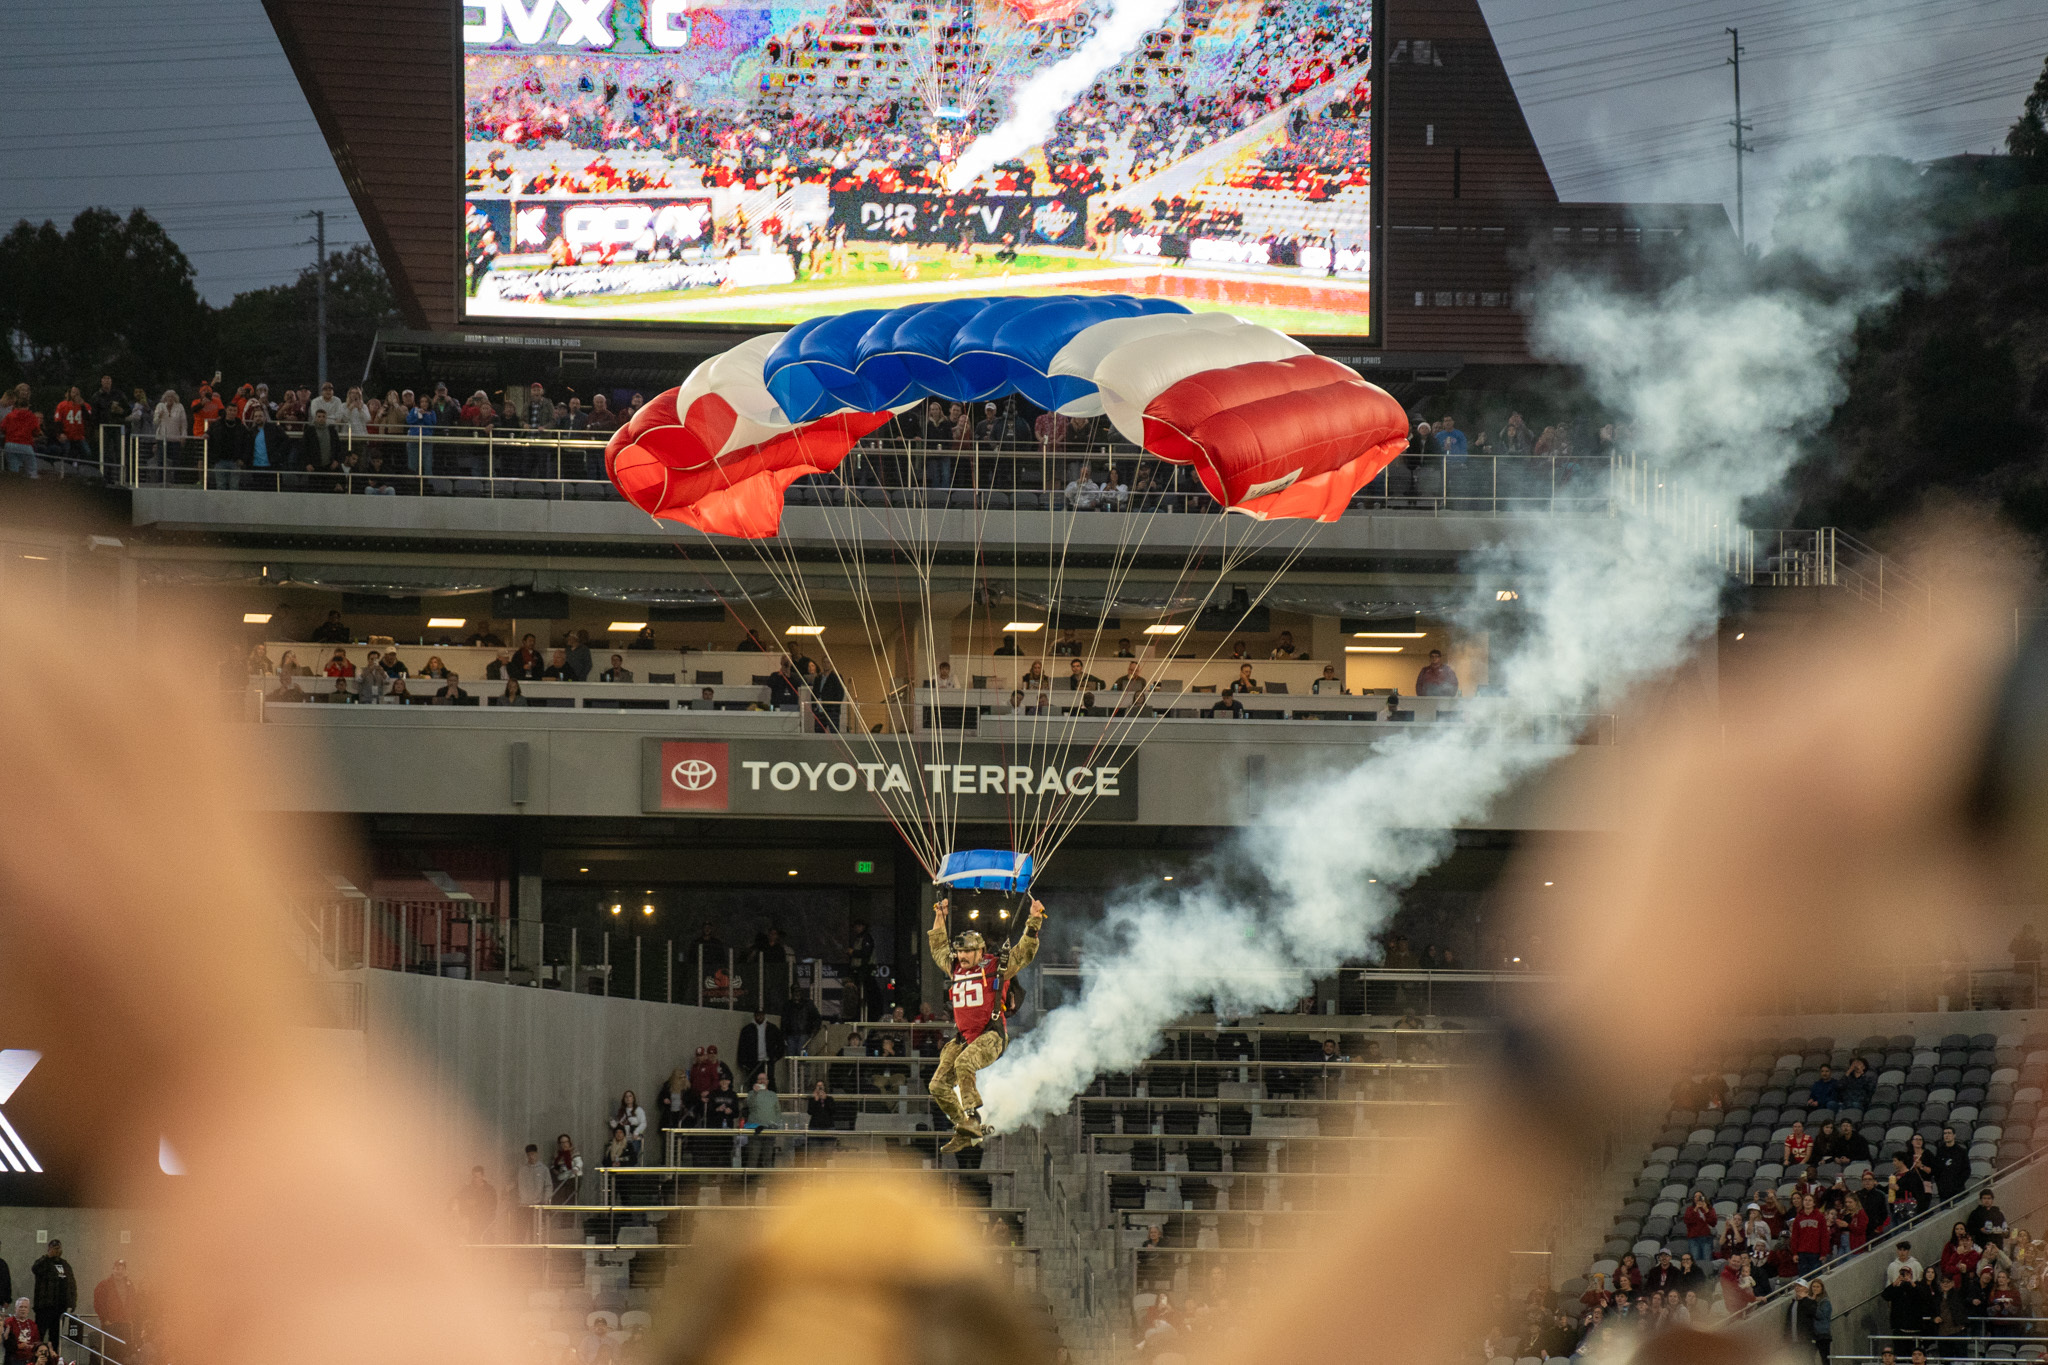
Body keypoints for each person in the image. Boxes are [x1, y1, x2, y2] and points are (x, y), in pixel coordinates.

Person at [926, 896, 1046, 1151]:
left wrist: (1034, 919)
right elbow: (938, 947)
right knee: (937, 1085)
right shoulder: (954, 967)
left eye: (968, 950)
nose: (962, 955)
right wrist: (940, 916)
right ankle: (966, 1128)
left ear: (980, 950)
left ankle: (973, 1115)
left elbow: (1024, 951)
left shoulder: (996, 966)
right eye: (959, 950)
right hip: (965, 1038)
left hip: (992, 1036)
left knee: (963, 1063)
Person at [27, 1242, 71, 1346]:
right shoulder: (43, 1263)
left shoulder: (65, 1264)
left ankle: (54, 1359)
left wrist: (72, 1302)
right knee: (39, 1335)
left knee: (55, 1337)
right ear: (49, 1249)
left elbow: (71, 1283)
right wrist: (47, 1257)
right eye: (54, 1248)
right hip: (44, 1307)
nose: (57, 1251)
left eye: (58, 1248)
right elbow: (35, 1269)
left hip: (60, 1307)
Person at [90, 1262, 134, 1351]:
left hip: (125, 1324)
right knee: (110, 1352)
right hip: (111, 1324)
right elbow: (98, 1303)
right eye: (117, 1269)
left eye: (122, 1269)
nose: (119, 1272)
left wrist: (131, 1319)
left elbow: (133, 1303)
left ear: (126, 1271)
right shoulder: (104, 1285)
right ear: (113, 1270)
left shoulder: (130, 1286)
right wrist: (105, 1319)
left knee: (124, 1352)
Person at [737, 1009, 784, 1085]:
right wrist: (743, 1062)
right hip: (753, 1062)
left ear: (764, 1015)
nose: (760, 1017)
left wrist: (775, 1057)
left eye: (761, 1014)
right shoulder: (747, 1029)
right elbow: (742, 1046)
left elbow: (781, 1043)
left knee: (770, 1082)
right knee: (753, 1082)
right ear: (755, 1015)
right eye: (758, 1015)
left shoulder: (772, 1028)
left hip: (767, 1062)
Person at [455, 1164, 498, 1239]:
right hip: (471, 1222)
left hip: (486, 1221)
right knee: (473, 1240)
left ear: (483, 1176)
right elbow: (460, 1201)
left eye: (478, 1177)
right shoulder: (467, 1189)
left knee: (486, 1240)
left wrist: (477, 1203)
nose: (476, 1179)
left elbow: (493, 1206)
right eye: (474, 1176)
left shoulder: (490, 1190)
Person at [1931, 1126, 1971, 1203]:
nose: (1947, 1135)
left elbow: (1966, 1170)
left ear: (1954, 1135)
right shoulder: (1940, 1152)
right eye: (1945, 1133)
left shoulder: (1961, 1151)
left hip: (1957, 1191)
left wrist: (1958, 1184)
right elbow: (1936, 1170)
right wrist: (1940, 1184)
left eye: (1949, 1133)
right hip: (1944, 1192)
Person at [614, 1089, 647, 1165]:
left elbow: (643, 1123)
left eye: (630, 1096)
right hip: (624, 1138)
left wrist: (636, 1132)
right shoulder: (622, 1111)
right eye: (626, 1097)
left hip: (634, 1138)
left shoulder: (638, 1110)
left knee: (633, 1156)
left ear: (633, 1098)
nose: (628, 1098)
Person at [548, 1133, 582, 1202]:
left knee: (570, 1198)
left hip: (572, 1177)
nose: (564, 1144)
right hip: (561, 1178)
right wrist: (555, 1170)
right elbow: (553, 1165)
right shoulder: (557, 1154)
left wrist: (576, 1168)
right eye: (562, 1142)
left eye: (566, 1142)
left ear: (569, 1142)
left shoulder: (574, 1152)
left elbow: (579, 1162)